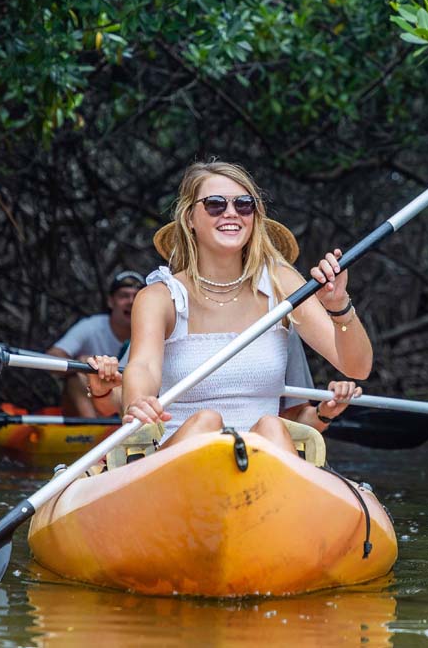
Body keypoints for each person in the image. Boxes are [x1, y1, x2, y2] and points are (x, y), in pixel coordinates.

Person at [84, 160, 373, 452]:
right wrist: (138, 401)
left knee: (272, 425)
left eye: (244, 204)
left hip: (265, 460)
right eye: (215, 204)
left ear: (254, 216)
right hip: (180, 459)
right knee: (207, 422)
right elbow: (143, 366)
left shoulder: (281, 284)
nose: (231, 212)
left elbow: (357, 367)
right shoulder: (158, 297)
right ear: (189, 218)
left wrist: (339, 306)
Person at [47, 270, 143, 417]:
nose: (131, 301)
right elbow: (52, 357)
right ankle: (93, 426)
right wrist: (81, 364)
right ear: (111, 301)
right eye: (124, 296)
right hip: (94, 404)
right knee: (75, 376)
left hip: (127, 400)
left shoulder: (149, 331)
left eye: (136, 296)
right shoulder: (92, 327)